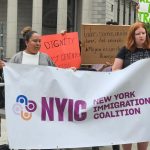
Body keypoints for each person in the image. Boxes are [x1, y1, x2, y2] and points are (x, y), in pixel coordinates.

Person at [112, 21, 150, 150]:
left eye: (143, 33)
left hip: (146, 98)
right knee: (128, 130)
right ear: (132, 36)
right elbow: (115, 70)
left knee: (144, 130)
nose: (141, 36)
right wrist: (129, 74)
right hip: (128, 98)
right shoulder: (125, 50)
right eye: (138, 33)